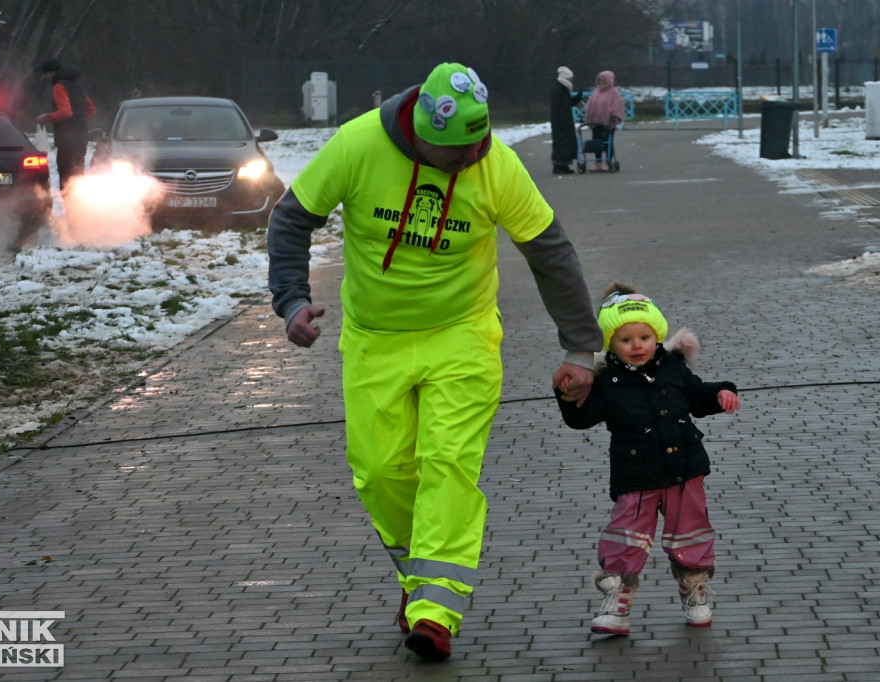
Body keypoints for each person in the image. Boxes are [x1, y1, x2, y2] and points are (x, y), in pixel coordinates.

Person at [267, 62, 603, 661]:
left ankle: (435, 611)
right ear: (419, 135)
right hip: (376, 341)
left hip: (462, 336)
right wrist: (290, 298)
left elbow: (548, 249)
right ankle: (416, 580)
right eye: (455, 154)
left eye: (477, 146)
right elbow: (292, 218)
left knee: (447, 463)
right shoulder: (358, 144)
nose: (469, 160)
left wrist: (581, 349)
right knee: (380, 472)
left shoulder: (494, 162)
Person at [554, 282, 741, 636]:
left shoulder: (673, 367)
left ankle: (694, 587)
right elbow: (581, 417)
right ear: (611, 343)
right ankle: (618, 600)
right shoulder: (606, 381)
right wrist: (567, 395)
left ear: (657, 335)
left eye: (644, 337)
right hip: (635, 474)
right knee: (626, 536)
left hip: (685, 470)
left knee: (690, 534)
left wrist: (721, 393)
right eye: (625, 340)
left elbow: (697, 396)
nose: (636, 346)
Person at [36, 58, 96, 193]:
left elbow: (66, 112)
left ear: (51, 72)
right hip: (81, 138)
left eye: (46, 74)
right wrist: (80, 124)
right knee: (78, 173)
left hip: (66, 140)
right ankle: (81, 207)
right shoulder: (77, 85)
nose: (46, 77)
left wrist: (46, 117)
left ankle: (69, 206)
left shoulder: (59, 86)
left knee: (66, 174)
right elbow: (91, 109)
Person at [582, 70, 625, 171]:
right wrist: (588, 117)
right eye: (599, 80)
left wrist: (615, 117)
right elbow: (590, 106)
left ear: (609, 81)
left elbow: (617, 106)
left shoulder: (613, 93)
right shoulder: (596, 92)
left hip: (608, 124)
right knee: (596, 144)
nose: (601, 82)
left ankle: (608, 162)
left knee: (607, 143)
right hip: (596, 123)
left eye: (603, 80)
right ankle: (598, 164)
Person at [550, 66, 582, 175]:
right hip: (562, 123)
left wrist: (577, 98)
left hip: (561, 122)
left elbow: (567, 103)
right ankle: (560, 166)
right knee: (562, 144)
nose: (571, 81)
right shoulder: (559, 90)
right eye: (570, 79)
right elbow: (562, 106)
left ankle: (563, 165)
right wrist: (564, 119)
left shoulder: (561, 89)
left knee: (562, 144)